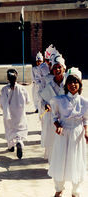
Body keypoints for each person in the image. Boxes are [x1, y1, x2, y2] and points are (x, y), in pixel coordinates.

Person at [48, 67, 88, 197]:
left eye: (75, 82)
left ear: (80, 84)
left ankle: (75, 191)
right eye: (70, 82)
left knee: (76, 161)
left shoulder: (84, 102)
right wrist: (58, 125)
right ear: (66, 84)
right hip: (63, 134)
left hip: (78, 135)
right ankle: (59, 189)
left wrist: (86, 131)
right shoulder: (59, 100)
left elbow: (85, 119)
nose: (72, 84)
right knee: (61, 160)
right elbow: (54, 117)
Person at [39, 51, 66, 161]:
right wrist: (45, 105)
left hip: (66, 118)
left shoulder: (69, 84)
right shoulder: (49, 85)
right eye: (55, 68)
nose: (57, 70)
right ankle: (52, 164)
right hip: (52, 118)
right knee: (53, 142)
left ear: (64, 68)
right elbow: (43, 100)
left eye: (59, 67)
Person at [0, 69, 30, 159]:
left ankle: (11, 145)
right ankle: (19, 142)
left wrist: (5, 109)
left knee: (9, 129)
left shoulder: (4, 89)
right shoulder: (22, 88)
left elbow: (1, 103)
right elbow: (28, 101)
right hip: (20, 114)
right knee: (20, 129)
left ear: (8, 78)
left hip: (9, 114)